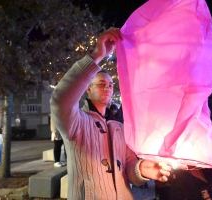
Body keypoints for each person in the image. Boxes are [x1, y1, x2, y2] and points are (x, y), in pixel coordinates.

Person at [50, 27, 171, 200]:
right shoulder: (76, 122)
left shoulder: (119, 127)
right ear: (88, 89)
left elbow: (129, 166)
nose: (107, 87)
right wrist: (97, 56)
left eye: (110, 85)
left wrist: (142, 169)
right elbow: (60, 100)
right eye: (101, 84)